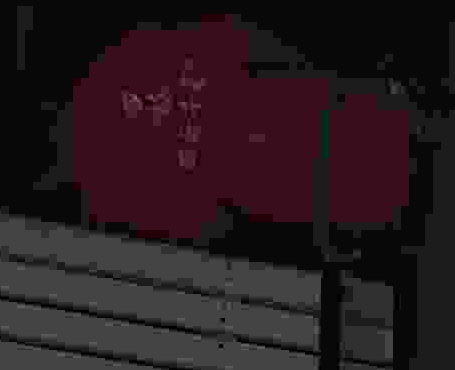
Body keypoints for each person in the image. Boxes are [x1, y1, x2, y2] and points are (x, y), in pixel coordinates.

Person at [49, 16, 417, 250]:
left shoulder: (141, 50)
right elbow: (205, 225)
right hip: (301, 177)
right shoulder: (115, 178)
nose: (144, 103)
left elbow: (244, 40)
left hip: (313, 124)